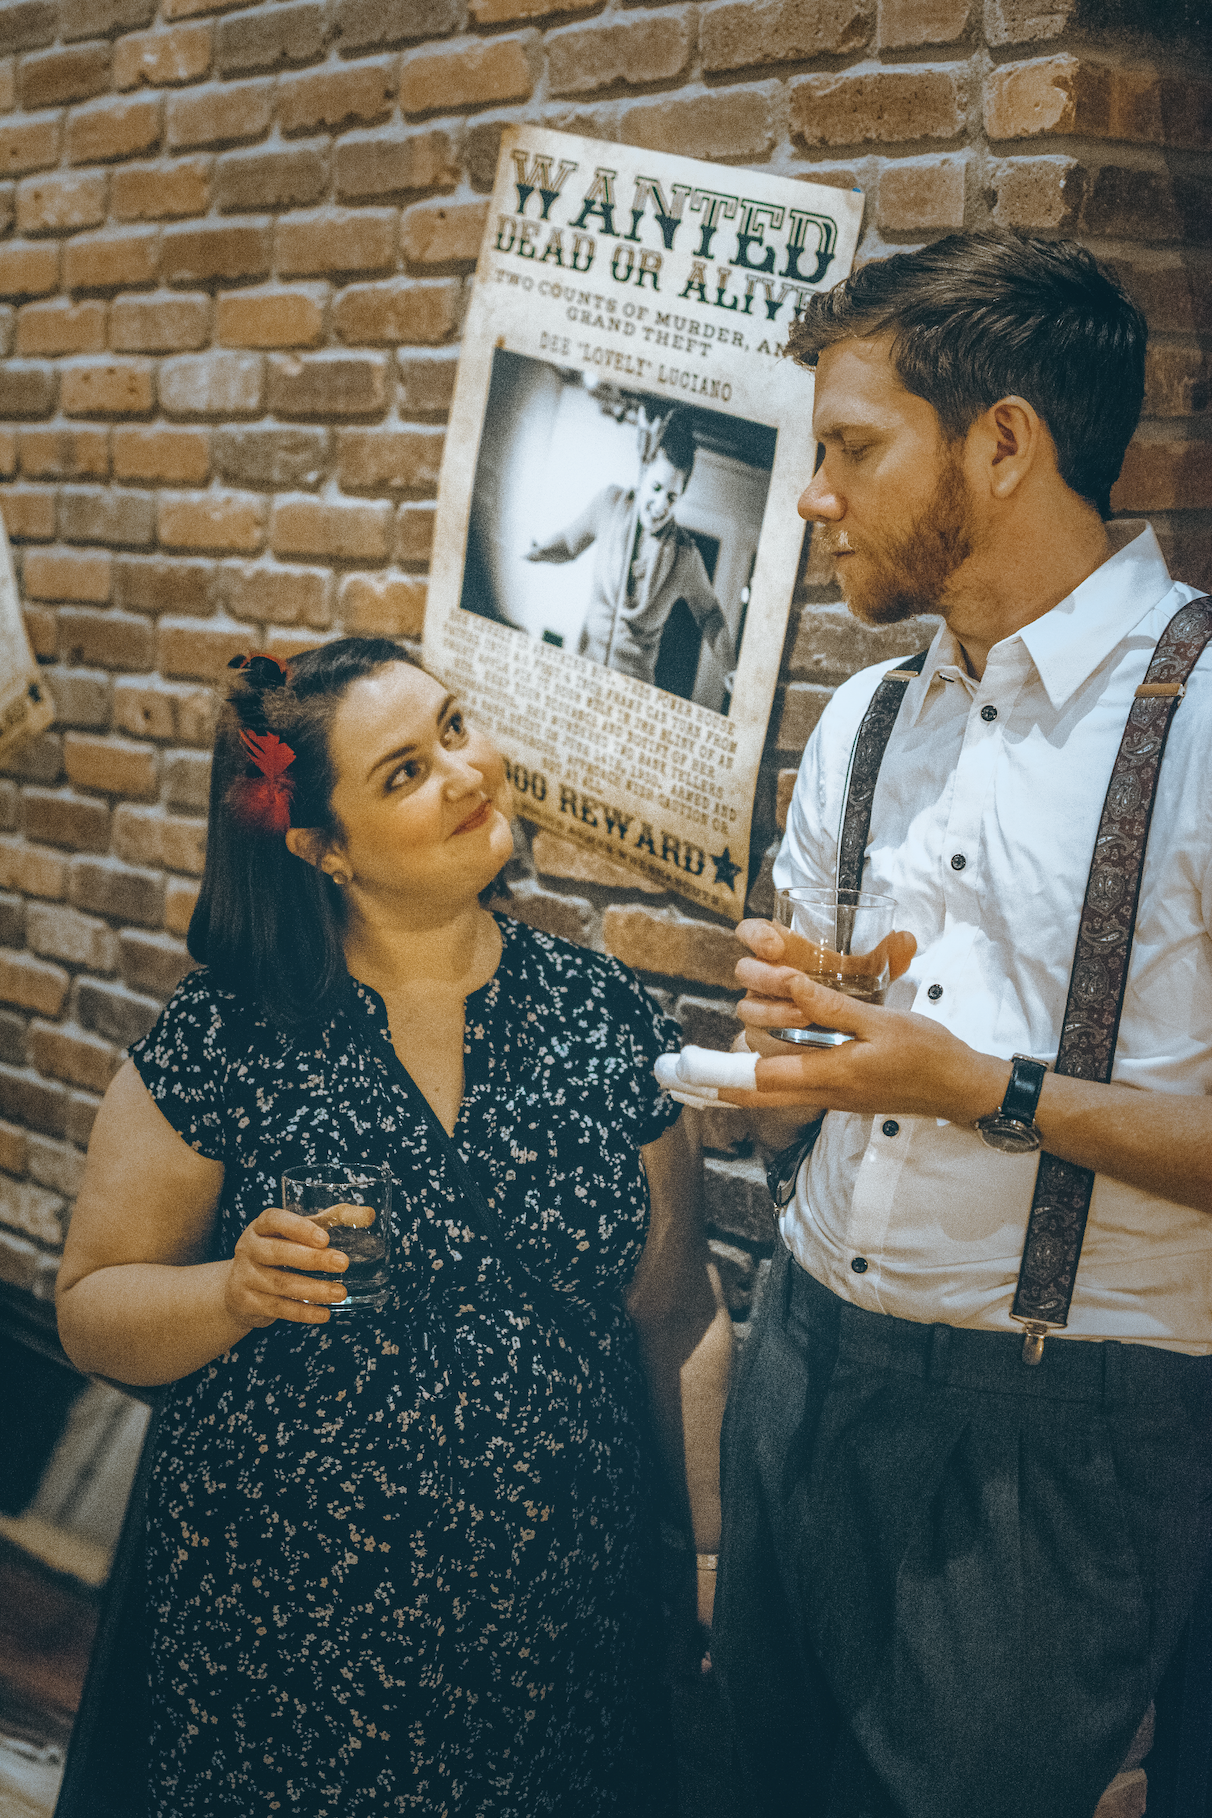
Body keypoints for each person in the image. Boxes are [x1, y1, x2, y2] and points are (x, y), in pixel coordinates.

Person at [708, 233, 1212, 1817]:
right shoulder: (864, 721)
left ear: (1002, 443)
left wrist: (979, 1085)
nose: (814, 495)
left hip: (1064, 1427)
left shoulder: (1202, 717)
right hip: (804, 1359)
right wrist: (791, 1066)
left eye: (852, 447)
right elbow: (798, 1112)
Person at [55, 638, 732, 1818]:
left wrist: (713, 1556)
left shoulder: (602, 1016)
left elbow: (677, 1314)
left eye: (457, 727)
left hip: (551, 1655)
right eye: (404, 772)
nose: (466, 773)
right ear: (321, 849)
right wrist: (231, 1292)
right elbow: (91, 1308)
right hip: (284, 1659)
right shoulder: (232, 1034)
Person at [525, 407, 736, 692]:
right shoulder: (609, 504)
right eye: (657, 488)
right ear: (644, 473)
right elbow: (569, 544)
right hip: (582, 673)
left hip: (632, 693)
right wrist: (540, 551)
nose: (661, 505)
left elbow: (710, 614)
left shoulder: (685, 555)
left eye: (672, 497)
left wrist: (730, 665)